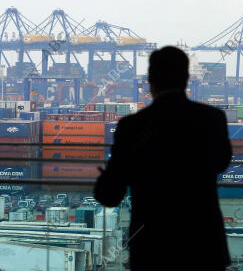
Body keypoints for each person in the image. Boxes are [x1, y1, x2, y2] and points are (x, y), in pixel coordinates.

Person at [94, 46, 233, 271]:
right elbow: (221, 163)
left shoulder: (131, 127)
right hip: (203, 245)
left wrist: (105, 179)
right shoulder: (212, 119)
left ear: (150, 80)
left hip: (152, 248)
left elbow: (110, 195)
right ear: (187, 79)